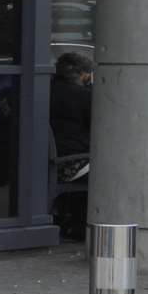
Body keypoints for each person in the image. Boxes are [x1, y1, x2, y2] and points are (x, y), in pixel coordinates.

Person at [50, 52, 95, 238]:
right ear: (83, 74)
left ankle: (69, 219)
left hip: (46, 160)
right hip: (71, 164)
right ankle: (82, 225)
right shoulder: (83, 97)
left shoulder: (44, 91)